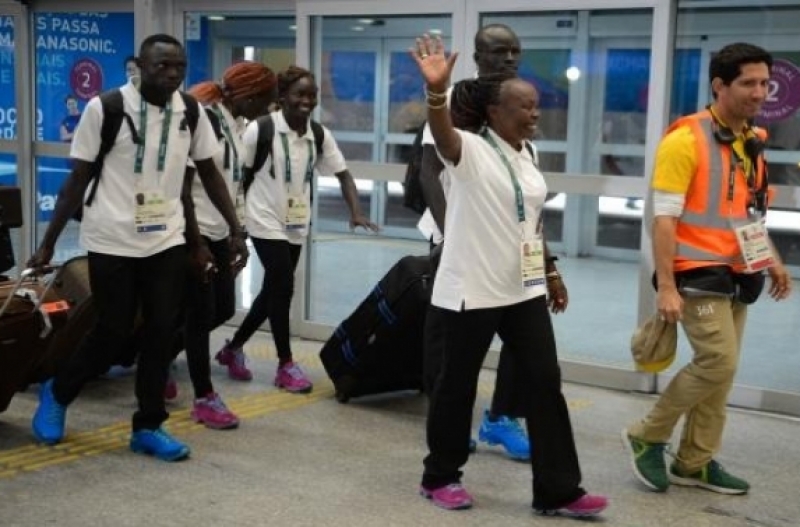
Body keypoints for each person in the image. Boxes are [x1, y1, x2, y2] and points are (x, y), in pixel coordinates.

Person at [411, 34, 607, 517]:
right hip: (469, 289)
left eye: (536, 106)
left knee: (544, 381)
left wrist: (550, 272)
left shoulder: (529, 155)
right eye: (524, 107)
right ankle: (440, 477)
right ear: (496, 112)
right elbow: (442, 133)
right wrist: (437, 92)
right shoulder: (471, 150)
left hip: (521, 288)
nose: (534, 114)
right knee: (455, 387)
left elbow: (530, 221)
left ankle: (559, 490)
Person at [28, 34, 248, 462]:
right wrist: (48, 241)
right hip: (111, 237)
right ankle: (59, 391)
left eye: (178, 68)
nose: (171, 74)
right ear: (140, 68)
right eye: (161, 66)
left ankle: (148, 425)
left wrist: (234, 229)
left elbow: (209, 174)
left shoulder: (191, 111)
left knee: (161, 331)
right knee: (112, 330)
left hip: (165, 237)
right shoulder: (106, 109)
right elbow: (77, 179)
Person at [622, 42, 793, 495]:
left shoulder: (751, 143)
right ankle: (648, 433)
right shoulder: (685, 139)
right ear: (720, 85)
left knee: (722, 373)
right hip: (695, 271)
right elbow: (664, 218)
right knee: (718, 359)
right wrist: (665, 285)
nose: (760, 93)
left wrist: (771, 260)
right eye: (748, 83)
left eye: (764, 83)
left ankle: (694, 461)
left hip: (738, 271)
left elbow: (746, 215)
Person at [419, 23, 558, 461]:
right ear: (478, 57)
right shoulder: (458, 101)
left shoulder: (520, 116)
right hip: (459, 240)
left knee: (527, 351)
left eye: (516, 51)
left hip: (513, 254)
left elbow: (528, 206)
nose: (509, 58)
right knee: (453, 359)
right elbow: (431, 171)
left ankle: (500, 416)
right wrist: (450, 234)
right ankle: (446, 440)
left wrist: (548, 267)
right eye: (499, 52)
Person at [216, 65, 378, 392]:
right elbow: (237, 179)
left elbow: (343, 174)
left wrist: (356, 211)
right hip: (262, 220)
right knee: (284, 286)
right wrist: (237, 226)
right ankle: (285, 364)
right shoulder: (260, 130)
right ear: (282, 97)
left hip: (295, 222)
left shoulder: (317, 134)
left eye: (312, 95)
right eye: (299, 94)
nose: (307, 101)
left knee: (273, 290)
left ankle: (232, 348)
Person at [160, 61, 278, 429]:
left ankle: (159, 359)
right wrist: (197, 243)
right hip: (192, 235)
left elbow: (231, 185)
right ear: (251, 95)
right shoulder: (207, 120)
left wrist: (236, 231)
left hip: (218, 233)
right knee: (199, 314)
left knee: (223, 308)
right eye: (267, 100)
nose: (269, 108)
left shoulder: (237, 125)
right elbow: (185, 186)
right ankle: (204, 396)